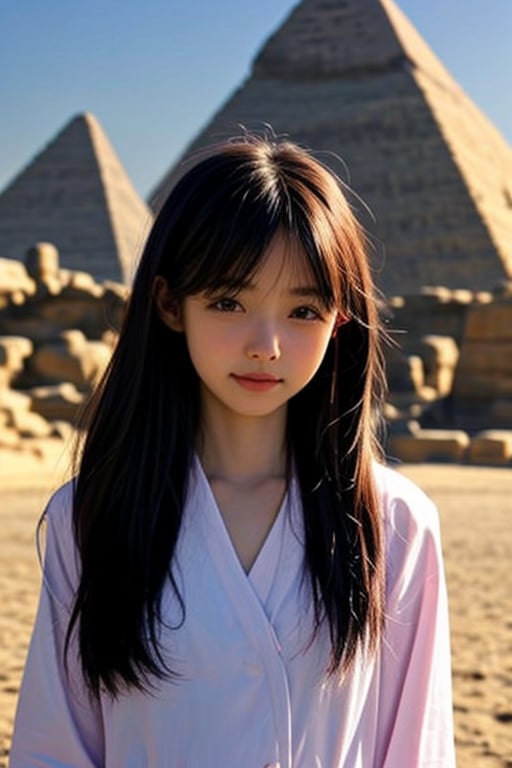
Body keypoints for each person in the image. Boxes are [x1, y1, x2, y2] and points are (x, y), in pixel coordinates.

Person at [10, 134, 456, 767]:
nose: (266, 344)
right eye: (228, 302)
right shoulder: (88, 517)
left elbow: (417, 751)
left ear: (340, 319)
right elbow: (55, 750)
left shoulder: (396, 523)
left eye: (304, 309)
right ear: (170, 305)